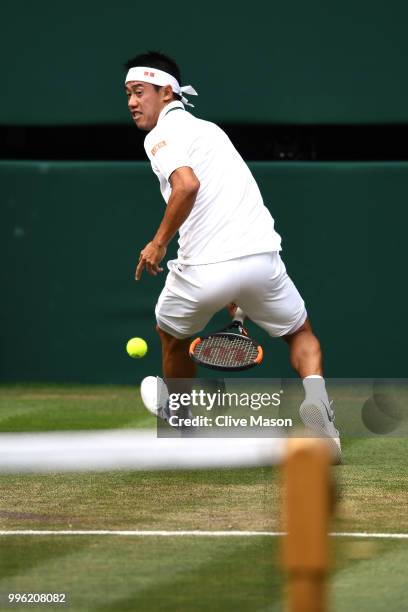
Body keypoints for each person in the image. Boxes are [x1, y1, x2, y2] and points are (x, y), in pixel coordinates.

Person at [124, 51, 340, 459]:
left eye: (139, 92)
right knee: (300, 334)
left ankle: (181, 427)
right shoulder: (212, 131)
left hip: (205, 267)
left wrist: (158, 242)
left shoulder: (158, 136)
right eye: (128, 95)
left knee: (170, 334)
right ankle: (321, 419)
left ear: (166, 91)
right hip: (261, 257)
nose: (132, 103)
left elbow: (186, 186)